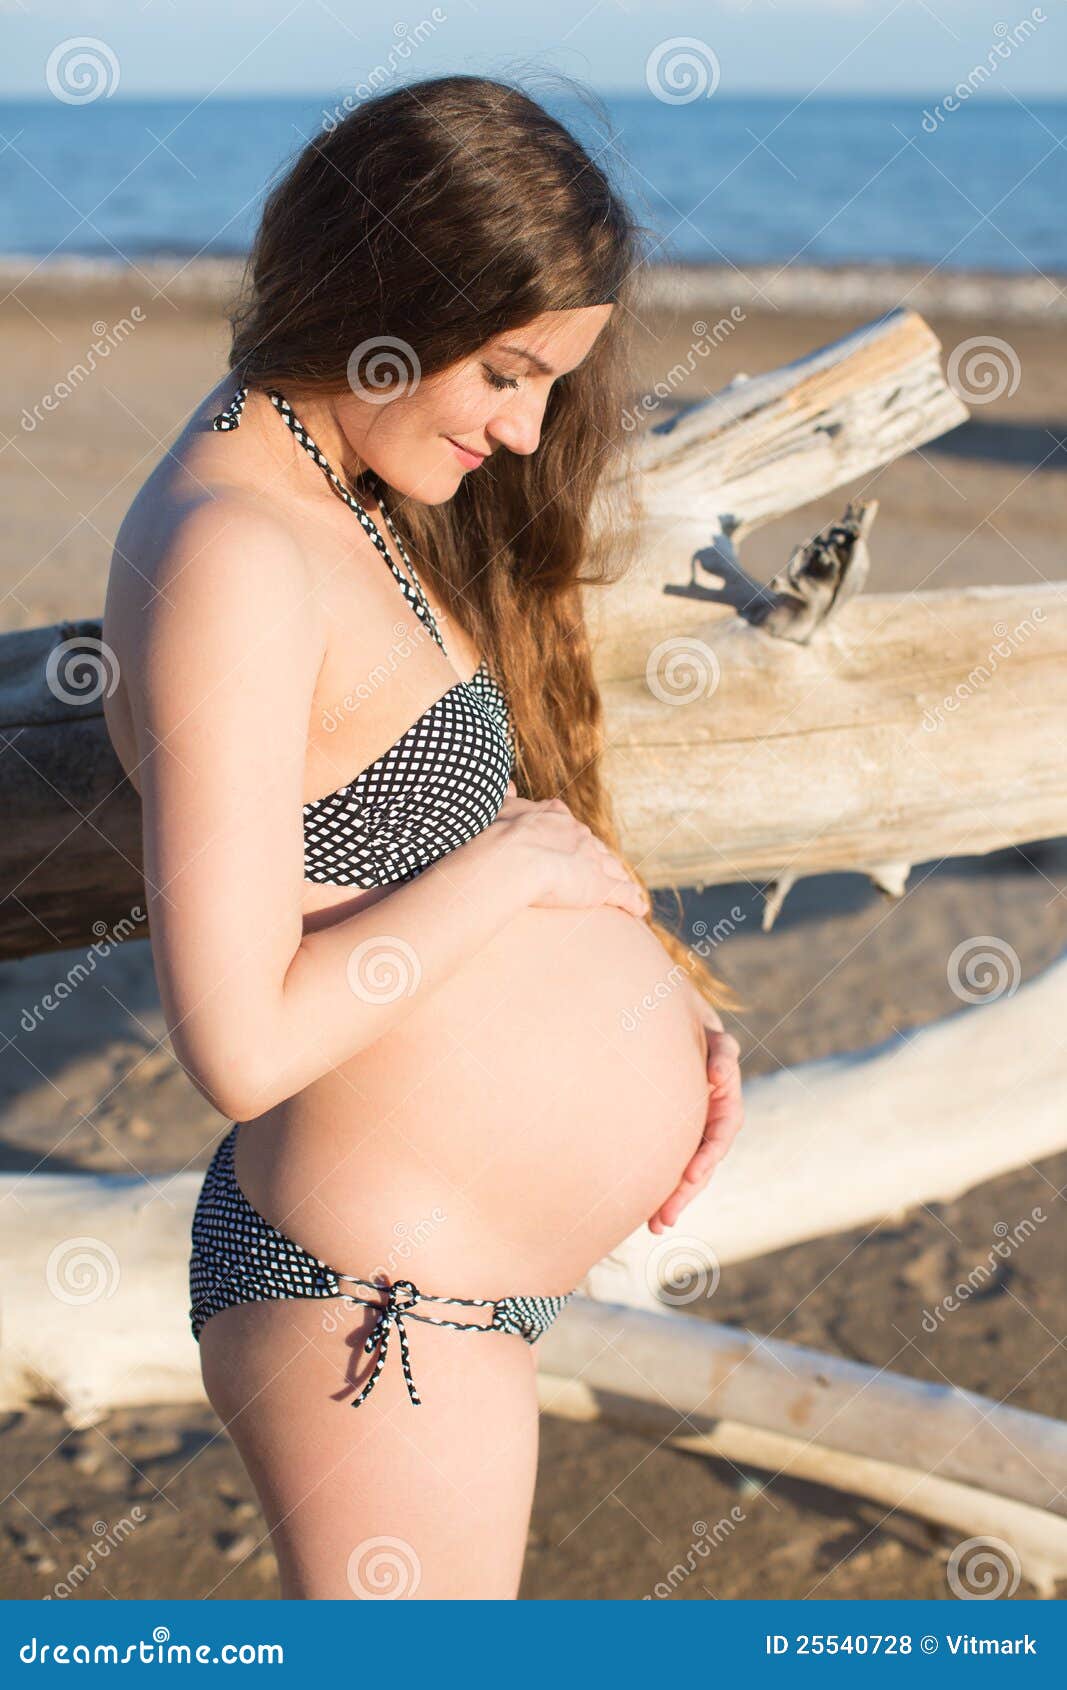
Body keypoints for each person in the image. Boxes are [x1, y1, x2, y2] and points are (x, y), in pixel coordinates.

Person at [102, 72, 744, 1601]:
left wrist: (662, 1016)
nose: (526, 435)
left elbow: (389, 856)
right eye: (507, 373)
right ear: (388, 296)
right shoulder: (240, 552)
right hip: (371, 1301)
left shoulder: (333, 495)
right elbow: (241, 1042)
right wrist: (515, 872)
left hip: (433, 1284)